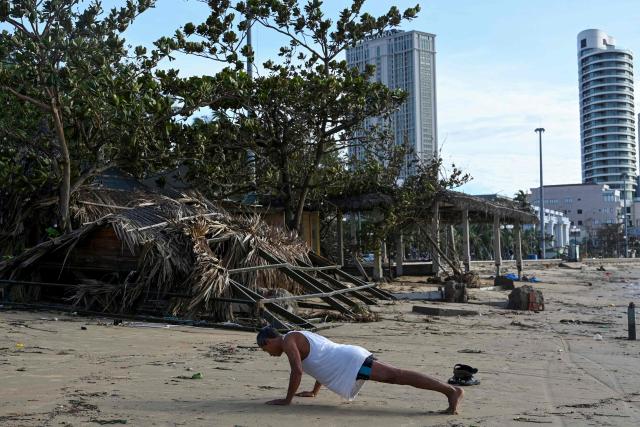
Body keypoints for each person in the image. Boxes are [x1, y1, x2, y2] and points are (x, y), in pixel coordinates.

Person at [256, 326, 464, 414]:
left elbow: (298, 371)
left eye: (265, 350)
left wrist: (287, 400)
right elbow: (321, 359)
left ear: (268, 341)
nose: (269, 354)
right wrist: (314, 391)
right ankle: (450, 391)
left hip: (350, 361)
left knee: (397, 376)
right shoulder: (295, 338)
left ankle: (451, 391)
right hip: (346, 360)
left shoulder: (289, 340)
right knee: (396, 376)